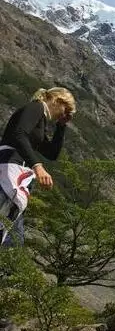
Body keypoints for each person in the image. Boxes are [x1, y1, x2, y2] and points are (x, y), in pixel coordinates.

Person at [0, 87, 76, 247]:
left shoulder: (41, 123)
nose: (65, 114)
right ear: (57, 100)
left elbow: (52, 153)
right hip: (9, 170)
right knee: (11, 239)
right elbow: (19, 134)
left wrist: (61, 126)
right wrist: (38, 166)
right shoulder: (36, 107)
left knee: (13, 240)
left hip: (17, 177)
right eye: (66, 109)